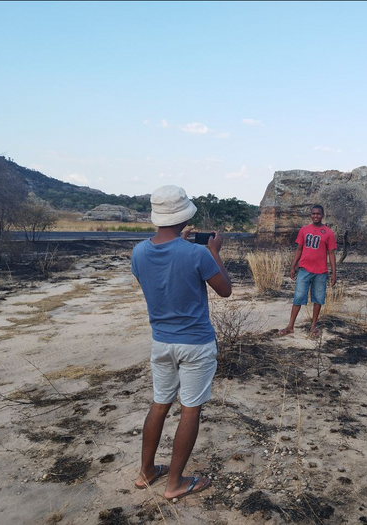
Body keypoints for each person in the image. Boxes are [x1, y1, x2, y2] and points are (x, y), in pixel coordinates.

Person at [131, 185, 231, 500]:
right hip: (195, 344)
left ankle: (146, 471)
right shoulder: (197, 253)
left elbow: (159, 279)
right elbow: (225, 290)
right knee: (190, 409)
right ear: (185, 216)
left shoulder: (138, 252)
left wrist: (179, 242)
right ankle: (174, 483)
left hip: (161, 341)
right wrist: (214, 251)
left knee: (160, 404)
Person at [279, 204, 337, 337]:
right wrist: (293, 266)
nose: (316, 216)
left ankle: (313, 326)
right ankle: (290, 326)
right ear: (310, 215)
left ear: (322, 215)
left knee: (318, 299)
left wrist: (334, 273)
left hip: (320, 272)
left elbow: (331, 254)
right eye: (313, 213)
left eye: (318, 214)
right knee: (298, 297)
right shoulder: (304, 230)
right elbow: (299, 249)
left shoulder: (328, 233)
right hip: (304, 270)